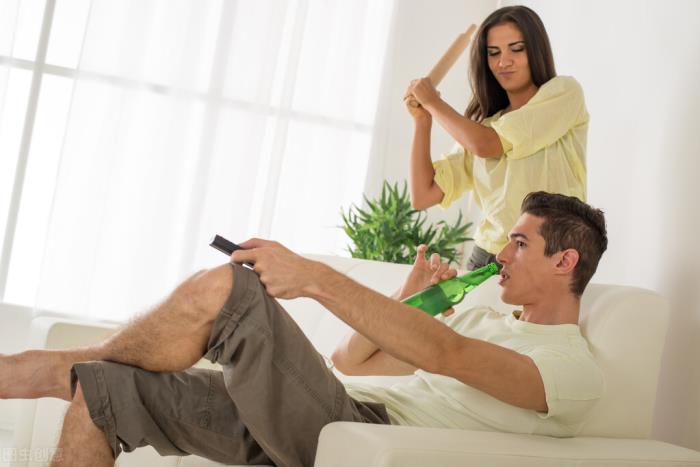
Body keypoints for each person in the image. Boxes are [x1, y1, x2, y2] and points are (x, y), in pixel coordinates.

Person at [0, 191, 607, 467]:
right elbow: (352, 362)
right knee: (101, 391)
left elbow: (447, 354)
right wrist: (407, 299)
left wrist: (313, 276)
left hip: (360, 432)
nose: (501, 254)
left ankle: (39, 368)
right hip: (333, 408)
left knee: (232, 288)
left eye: (519, 243)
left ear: (565, 261)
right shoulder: (479, 317)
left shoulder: (570, 370)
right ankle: (64, 369)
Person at [405, 5, 589, 270]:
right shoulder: (482, 128)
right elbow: (423, 195)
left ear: (536, 50)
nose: (503, 61)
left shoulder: (564, 93)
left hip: (549, 258)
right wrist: (423, 120)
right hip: (487, 258)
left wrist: (433, 102)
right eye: (494, 53)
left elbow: (488, 145)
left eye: (517, 49)